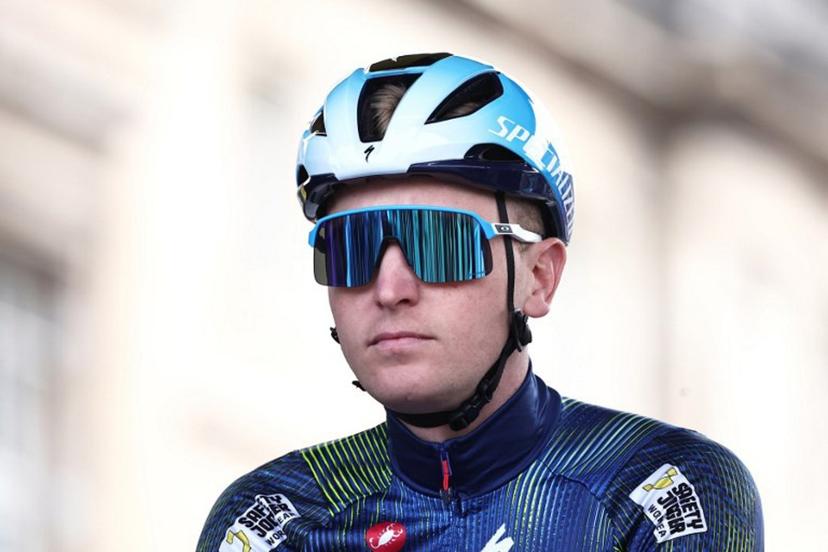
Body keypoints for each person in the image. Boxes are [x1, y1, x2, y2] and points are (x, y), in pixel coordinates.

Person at [197, 52, 763, 551]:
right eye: (350, 248)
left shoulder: (659, 490)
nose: (390, 289)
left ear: (539, 277)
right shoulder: (272, 519)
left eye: (439, 244)